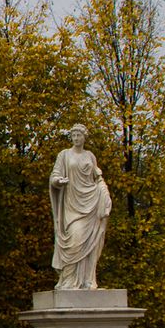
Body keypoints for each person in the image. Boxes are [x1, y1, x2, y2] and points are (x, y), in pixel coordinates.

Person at [49, 124, 112, 290]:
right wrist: (58, 181)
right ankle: (69, 282)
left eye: (79, 135)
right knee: (74, 240)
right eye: (74, 135)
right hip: (72, 205)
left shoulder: (90, 156)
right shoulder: (64, 155)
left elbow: (97, 178)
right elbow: (55, 175)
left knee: (92, 242)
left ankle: (87, 280)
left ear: (84, 137)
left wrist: (104, 194)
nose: (76, 138)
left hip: (91, 202)